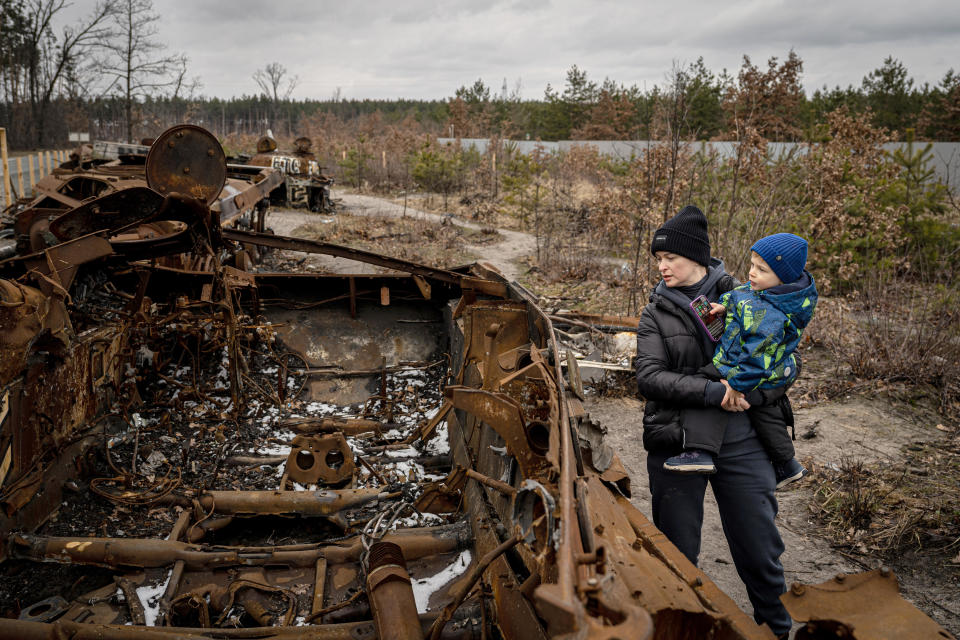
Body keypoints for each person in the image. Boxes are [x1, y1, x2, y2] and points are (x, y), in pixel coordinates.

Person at [635, 205, 793, 638]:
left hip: (744, 440)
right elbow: (649, 377)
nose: (662, 267)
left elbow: (781, 365)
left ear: (698, 257)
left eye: (670, 258)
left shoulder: (749, 297)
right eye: (658, 260)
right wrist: (714, 392)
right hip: (676, 439)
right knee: (677, 553)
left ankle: (777, 630)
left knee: (759, 548)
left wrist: (746, 393)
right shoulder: (656, 313)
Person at [661, 232, 818, 488]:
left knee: (707, 387)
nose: (752, 273)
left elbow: (756, 358)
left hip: (752, 369)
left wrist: (735, 385)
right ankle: (787, 463)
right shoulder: (769, 291)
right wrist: (724, 305)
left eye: (762, 269)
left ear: (783, 277)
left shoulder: (770, 316)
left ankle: (700, 452)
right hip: (773, 371)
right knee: (763, 410)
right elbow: (742, 295)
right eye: (752, 265)